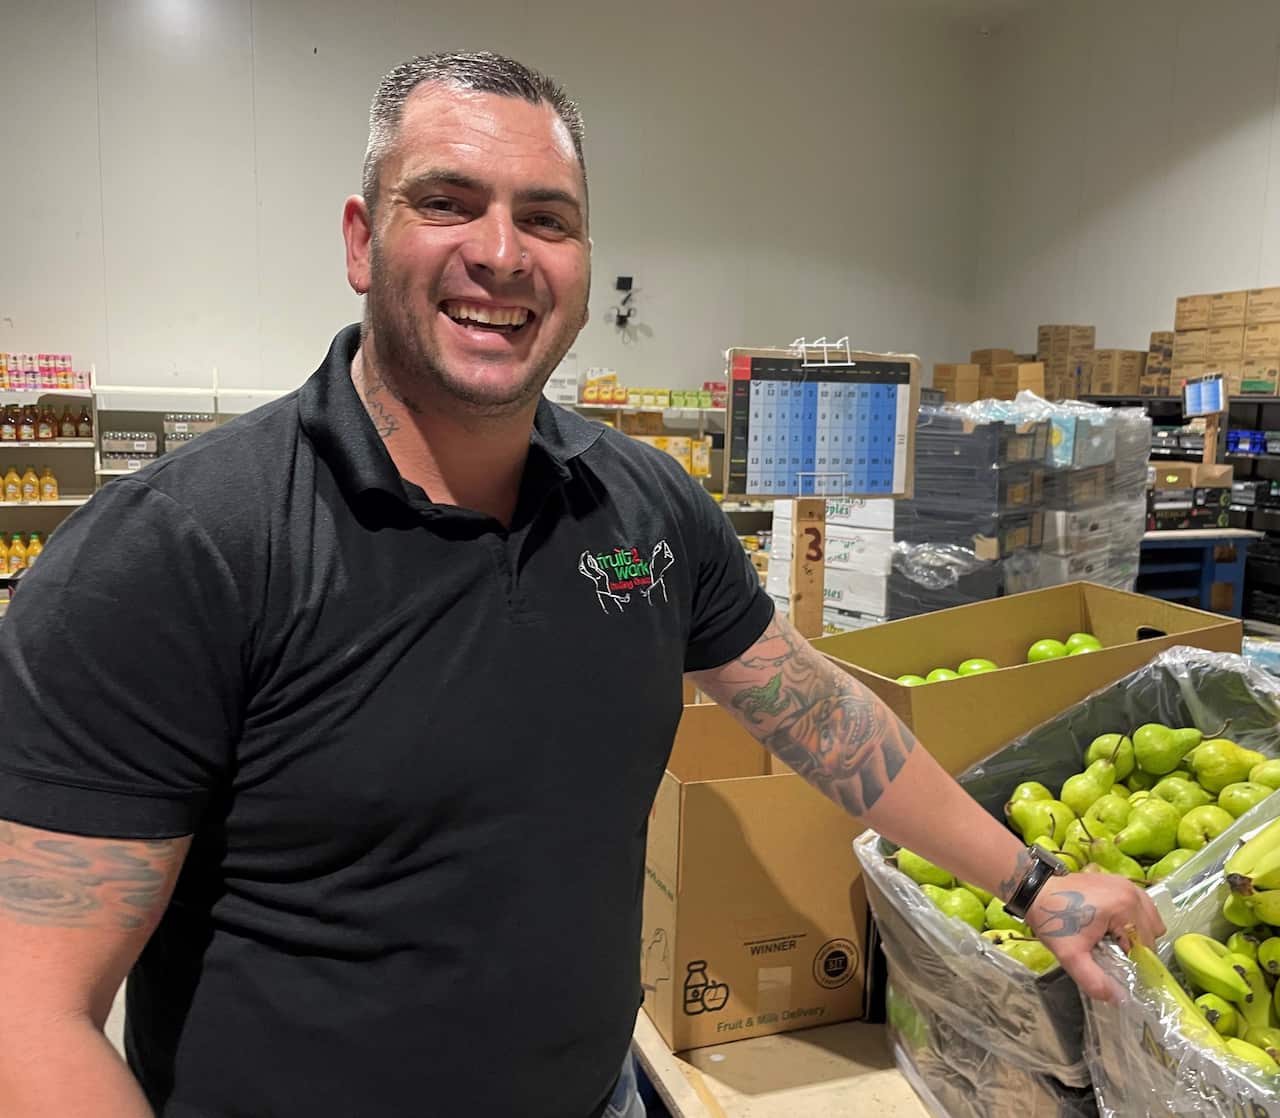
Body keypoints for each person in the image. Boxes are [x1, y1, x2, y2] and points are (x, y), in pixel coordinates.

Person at [0, 51, 1161, 1118]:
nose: (500, 253)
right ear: (360, 240)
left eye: (545, 218)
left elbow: (817, 714)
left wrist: (1031, 882)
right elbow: (30, 1009)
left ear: (584, 261)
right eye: (447, 200)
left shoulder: (644, 509)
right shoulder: (177, 547)